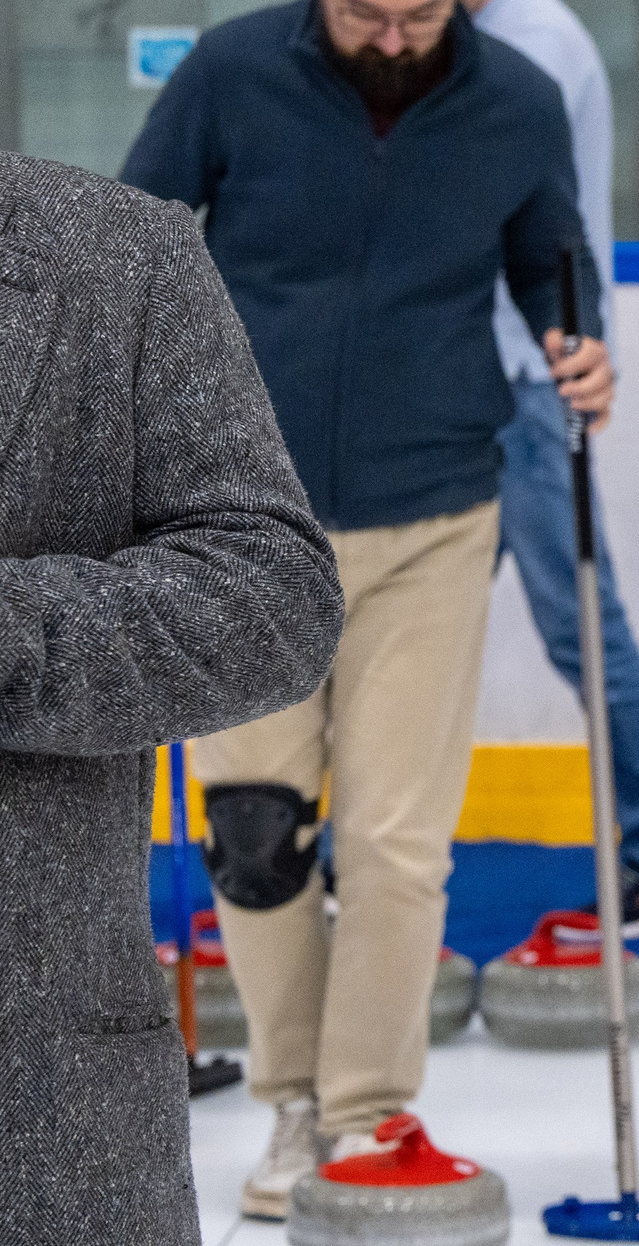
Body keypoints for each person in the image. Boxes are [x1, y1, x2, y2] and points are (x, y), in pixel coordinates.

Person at [121, 0, 614, 1222]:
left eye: (424, 15)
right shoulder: (230, 73)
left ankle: (366, 1110)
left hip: (433, 510)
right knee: (257, 832)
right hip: (238, 517)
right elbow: (134, 243)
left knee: (398, 839)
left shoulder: (516, 100)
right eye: (364, 13)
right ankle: (290, 1097)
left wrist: (581, 344)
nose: (394, 41)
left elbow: (553, 258)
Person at [0, 157, 344, 1244]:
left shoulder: (113, 254)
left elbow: (274, 596)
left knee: (391, 842)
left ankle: (356, 1103)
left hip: (37, 1112)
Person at [441, 0, 639, 937]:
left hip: (523, 379)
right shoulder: (521, 38)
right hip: (501, 380)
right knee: (414, 627)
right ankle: (336, 852)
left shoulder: (532, 47)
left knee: (583, 628)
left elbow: (495, 214)